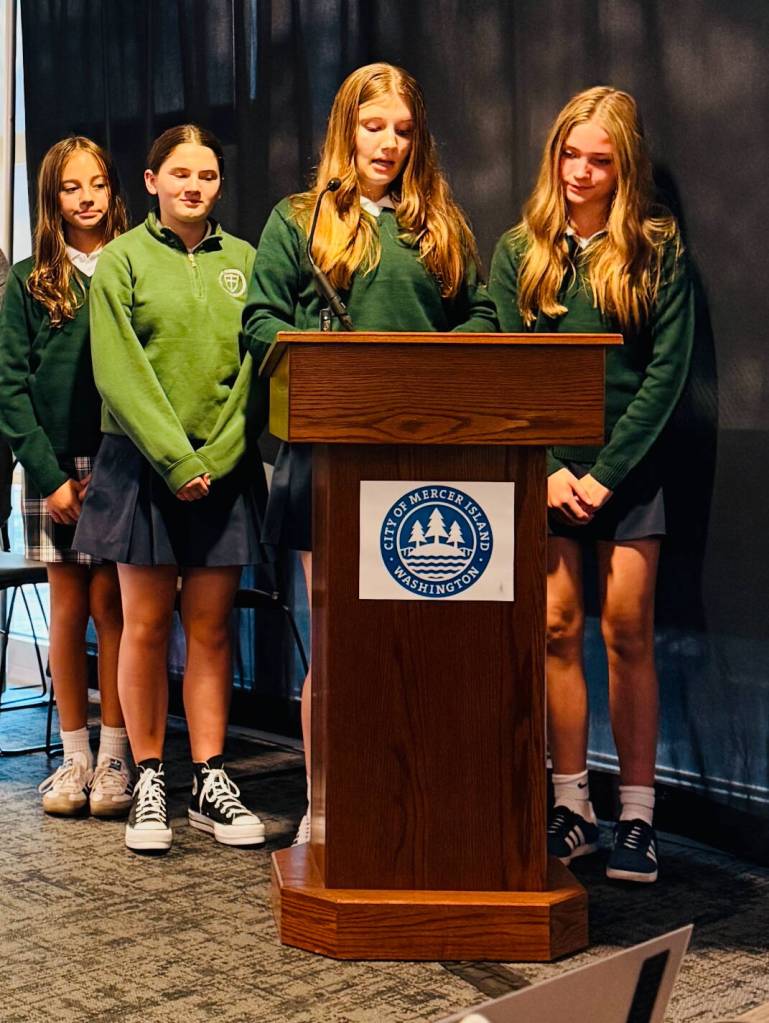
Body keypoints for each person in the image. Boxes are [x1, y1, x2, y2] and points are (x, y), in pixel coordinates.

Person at [243, 62, 498, 844]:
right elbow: (257, 322)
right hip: (327, 456)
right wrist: (320, 355)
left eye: (401, 129)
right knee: (339, 638)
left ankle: (412, 799)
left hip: (426, 458)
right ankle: (326, 806)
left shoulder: (441, 224)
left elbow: (484, 315)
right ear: (345, 128)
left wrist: (433, 363)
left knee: (420, 645)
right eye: (372, 125)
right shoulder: (299, 219)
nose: (386, 143)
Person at [490, 87, 694, 883]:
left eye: (598, 160)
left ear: (623, 167)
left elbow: (666, 374)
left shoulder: (656, 247)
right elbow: (504, 370)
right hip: (546, 474)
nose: (580, 172)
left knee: (626, 629)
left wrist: (605, 475)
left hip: (627, 473)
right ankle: (570, 806)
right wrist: (546, 471)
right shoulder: (519, 249)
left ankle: (635, 818)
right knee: (552, 627)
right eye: (570, 156)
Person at [74, 125, 267, 854]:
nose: (195, 186)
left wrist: (215, 453)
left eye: (208, 175)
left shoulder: (247, 261)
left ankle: (210, 779)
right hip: (142, 470)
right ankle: (148, 775)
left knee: (212, 629)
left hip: (224, 468)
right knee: (146, 628)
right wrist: (174, 459)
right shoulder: (121, 261)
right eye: (180, 173)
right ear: (151, 181)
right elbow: (117, 372)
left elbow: (258, 369)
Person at [0, 137, 130, 816]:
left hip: (119, 463)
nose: (86, 197)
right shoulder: (28, 280)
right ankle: (73, 755)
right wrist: (49, 476)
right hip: (54, 468)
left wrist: (113, 469)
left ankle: (114, 756)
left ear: (114, 191)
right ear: (51, 199)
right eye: (71, 187)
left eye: (98, 184)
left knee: (114, 606)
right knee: (69, 607)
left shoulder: (134, 265)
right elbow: (10, 387)